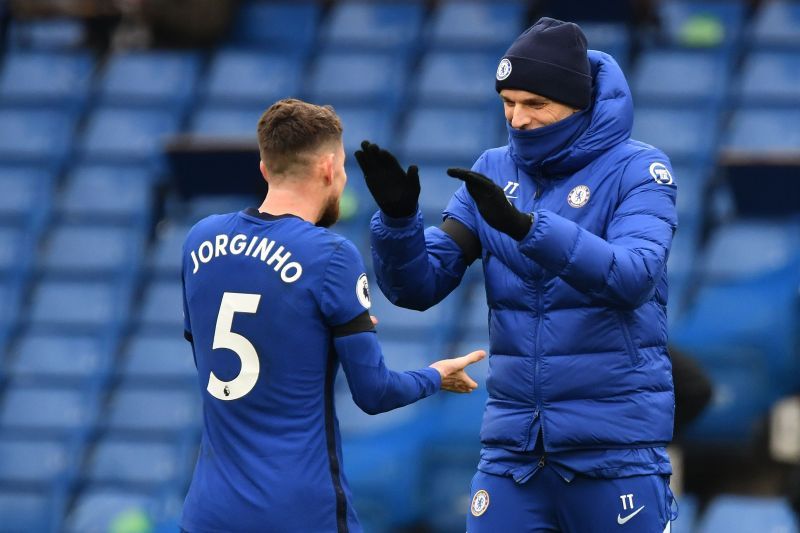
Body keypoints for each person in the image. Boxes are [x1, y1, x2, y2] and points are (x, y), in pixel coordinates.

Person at [356, 17, 679, 533]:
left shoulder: (639, 170)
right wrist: (397, 223)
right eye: (508, 102)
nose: (518, 118)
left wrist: (530, 228)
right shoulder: (492, 169)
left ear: (578, 101)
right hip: (513, 453)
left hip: (614, 452)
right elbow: (419, 287)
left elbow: (634, 276)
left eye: (534, 104)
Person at [179, 98, 485, 533]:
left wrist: (313, 332)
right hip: (298, 512)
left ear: (265, 169)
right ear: (328, 168)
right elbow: (374, 393)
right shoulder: (330, 255)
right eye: (343, 168)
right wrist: (436, 375)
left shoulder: (199, 240)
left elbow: (216, 345)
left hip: (209, 512)